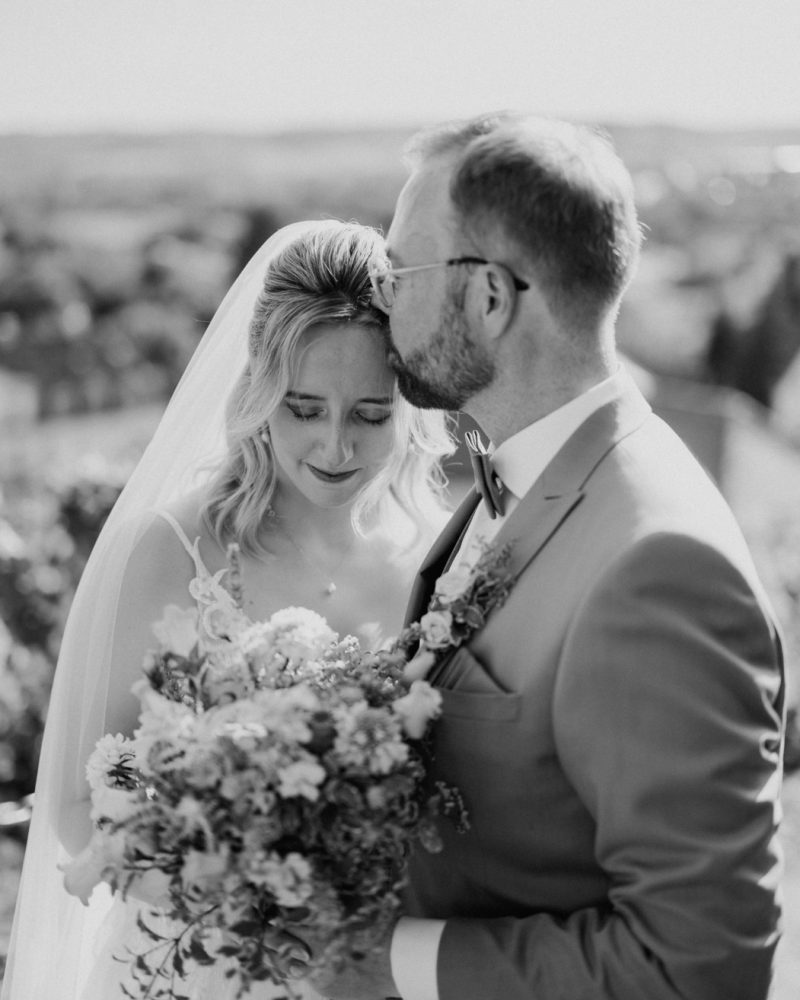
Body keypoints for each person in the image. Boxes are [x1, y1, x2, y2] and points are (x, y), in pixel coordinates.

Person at [308, 115, 786, 1000]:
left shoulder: (656, 568)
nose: (383, 300)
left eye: (399, 270)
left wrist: (392, 963)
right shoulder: (525, 471)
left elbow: (703, 965)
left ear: (489, 298)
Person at [1, 220, 453, 1000]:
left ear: (409, 408)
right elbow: (78, 800)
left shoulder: (433, 562)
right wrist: (223, 897)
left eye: (371, 415)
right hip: (189, 968)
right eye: (304, 408)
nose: (336, 446)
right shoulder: (171, 549)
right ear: (260, 393)